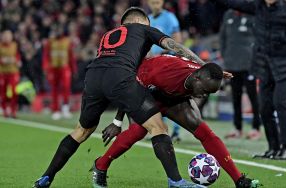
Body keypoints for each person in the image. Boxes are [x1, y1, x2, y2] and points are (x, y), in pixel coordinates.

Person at [33, 7, 208, 188]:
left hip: (93, 76)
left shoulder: (109, 35)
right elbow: (176, 47)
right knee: (158, 126)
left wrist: (118, 121)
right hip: (120, 77)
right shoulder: (144, 29)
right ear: (141, 22)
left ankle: (46, 177)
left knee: (81, 131)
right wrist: (203, 66)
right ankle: (176, 181)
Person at [93, 55, 261, 188]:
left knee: (202, 129)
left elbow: (196, 63)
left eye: (210, 93)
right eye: (204, 90)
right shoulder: (162, 73)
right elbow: (129, 89)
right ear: (197, 79)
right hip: (143, 90)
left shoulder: (201, 74)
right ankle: (100, 166)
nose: (204, 96)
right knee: (139, 130)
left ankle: (239, 180)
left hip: (172, 96)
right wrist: (117, 121)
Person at [211, 0, 286, 160]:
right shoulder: (257, 6)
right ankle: (273, 148)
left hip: (285, 64)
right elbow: (233, 3)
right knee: (264, 107)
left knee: (280, 103)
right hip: (263, 66)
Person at [219, 10, 261, 140]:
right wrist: (225, 57)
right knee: (235, 97)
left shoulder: (252, 14)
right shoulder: (228, 14)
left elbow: (259, 38)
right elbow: (223, 37)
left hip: (249, 65)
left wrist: (256, 60)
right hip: (232, 64)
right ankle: (238, 128)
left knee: (253, 96)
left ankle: (256, 128)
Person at [147, 0, 183, 141]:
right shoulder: (148, 19)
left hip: (167, 64)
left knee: (171, 98)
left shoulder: (170, 17)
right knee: (155, 98)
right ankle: (161, 129)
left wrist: (162, 53)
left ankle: (176, 131)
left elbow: (177, 41)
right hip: (152, 65)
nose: (155, 2)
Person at [42, 26, 77, 120]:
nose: (57, 32)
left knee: (66, 87)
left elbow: (71, 56)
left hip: (64, 67)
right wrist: (45, 67)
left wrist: (74, 69)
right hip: (53, 68)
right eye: (56, 30)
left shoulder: (67, 41)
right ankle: (56, 110)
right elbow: (46, 55)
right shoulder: (50, 42)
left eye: (59, 30)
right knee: (54, 89)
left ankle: (65, 109)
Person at [0, 30, 21, 118]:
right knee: (3, 92)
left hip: (13, 72)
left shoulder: (14, 45)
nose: (7, 38)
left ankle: (13, 111)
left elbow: (18, 56)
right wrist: (2, 61)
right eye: (5, 36)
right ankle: (5, 110)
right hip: (3, 72)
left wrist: (17, 61)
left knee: (14, 91)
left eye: (9, 36)